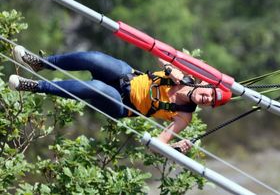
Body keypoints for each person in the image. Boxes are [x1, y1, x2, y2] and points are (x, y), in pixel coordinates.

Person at [8, 46, 231, 153]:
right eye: (209, 93)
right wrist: (172, 69)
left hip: (123, 104)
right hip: (128, 75)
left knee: (94, 88)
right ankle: (40, 63)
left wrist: (174, 148)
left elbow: (156, 146)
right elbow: (160, 51)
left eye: (210, 102)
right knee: (92, 57)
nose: (205, 98)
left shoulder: (184, 116)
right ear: (205, 84)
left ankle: (36, 86)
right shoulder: (186, 74)